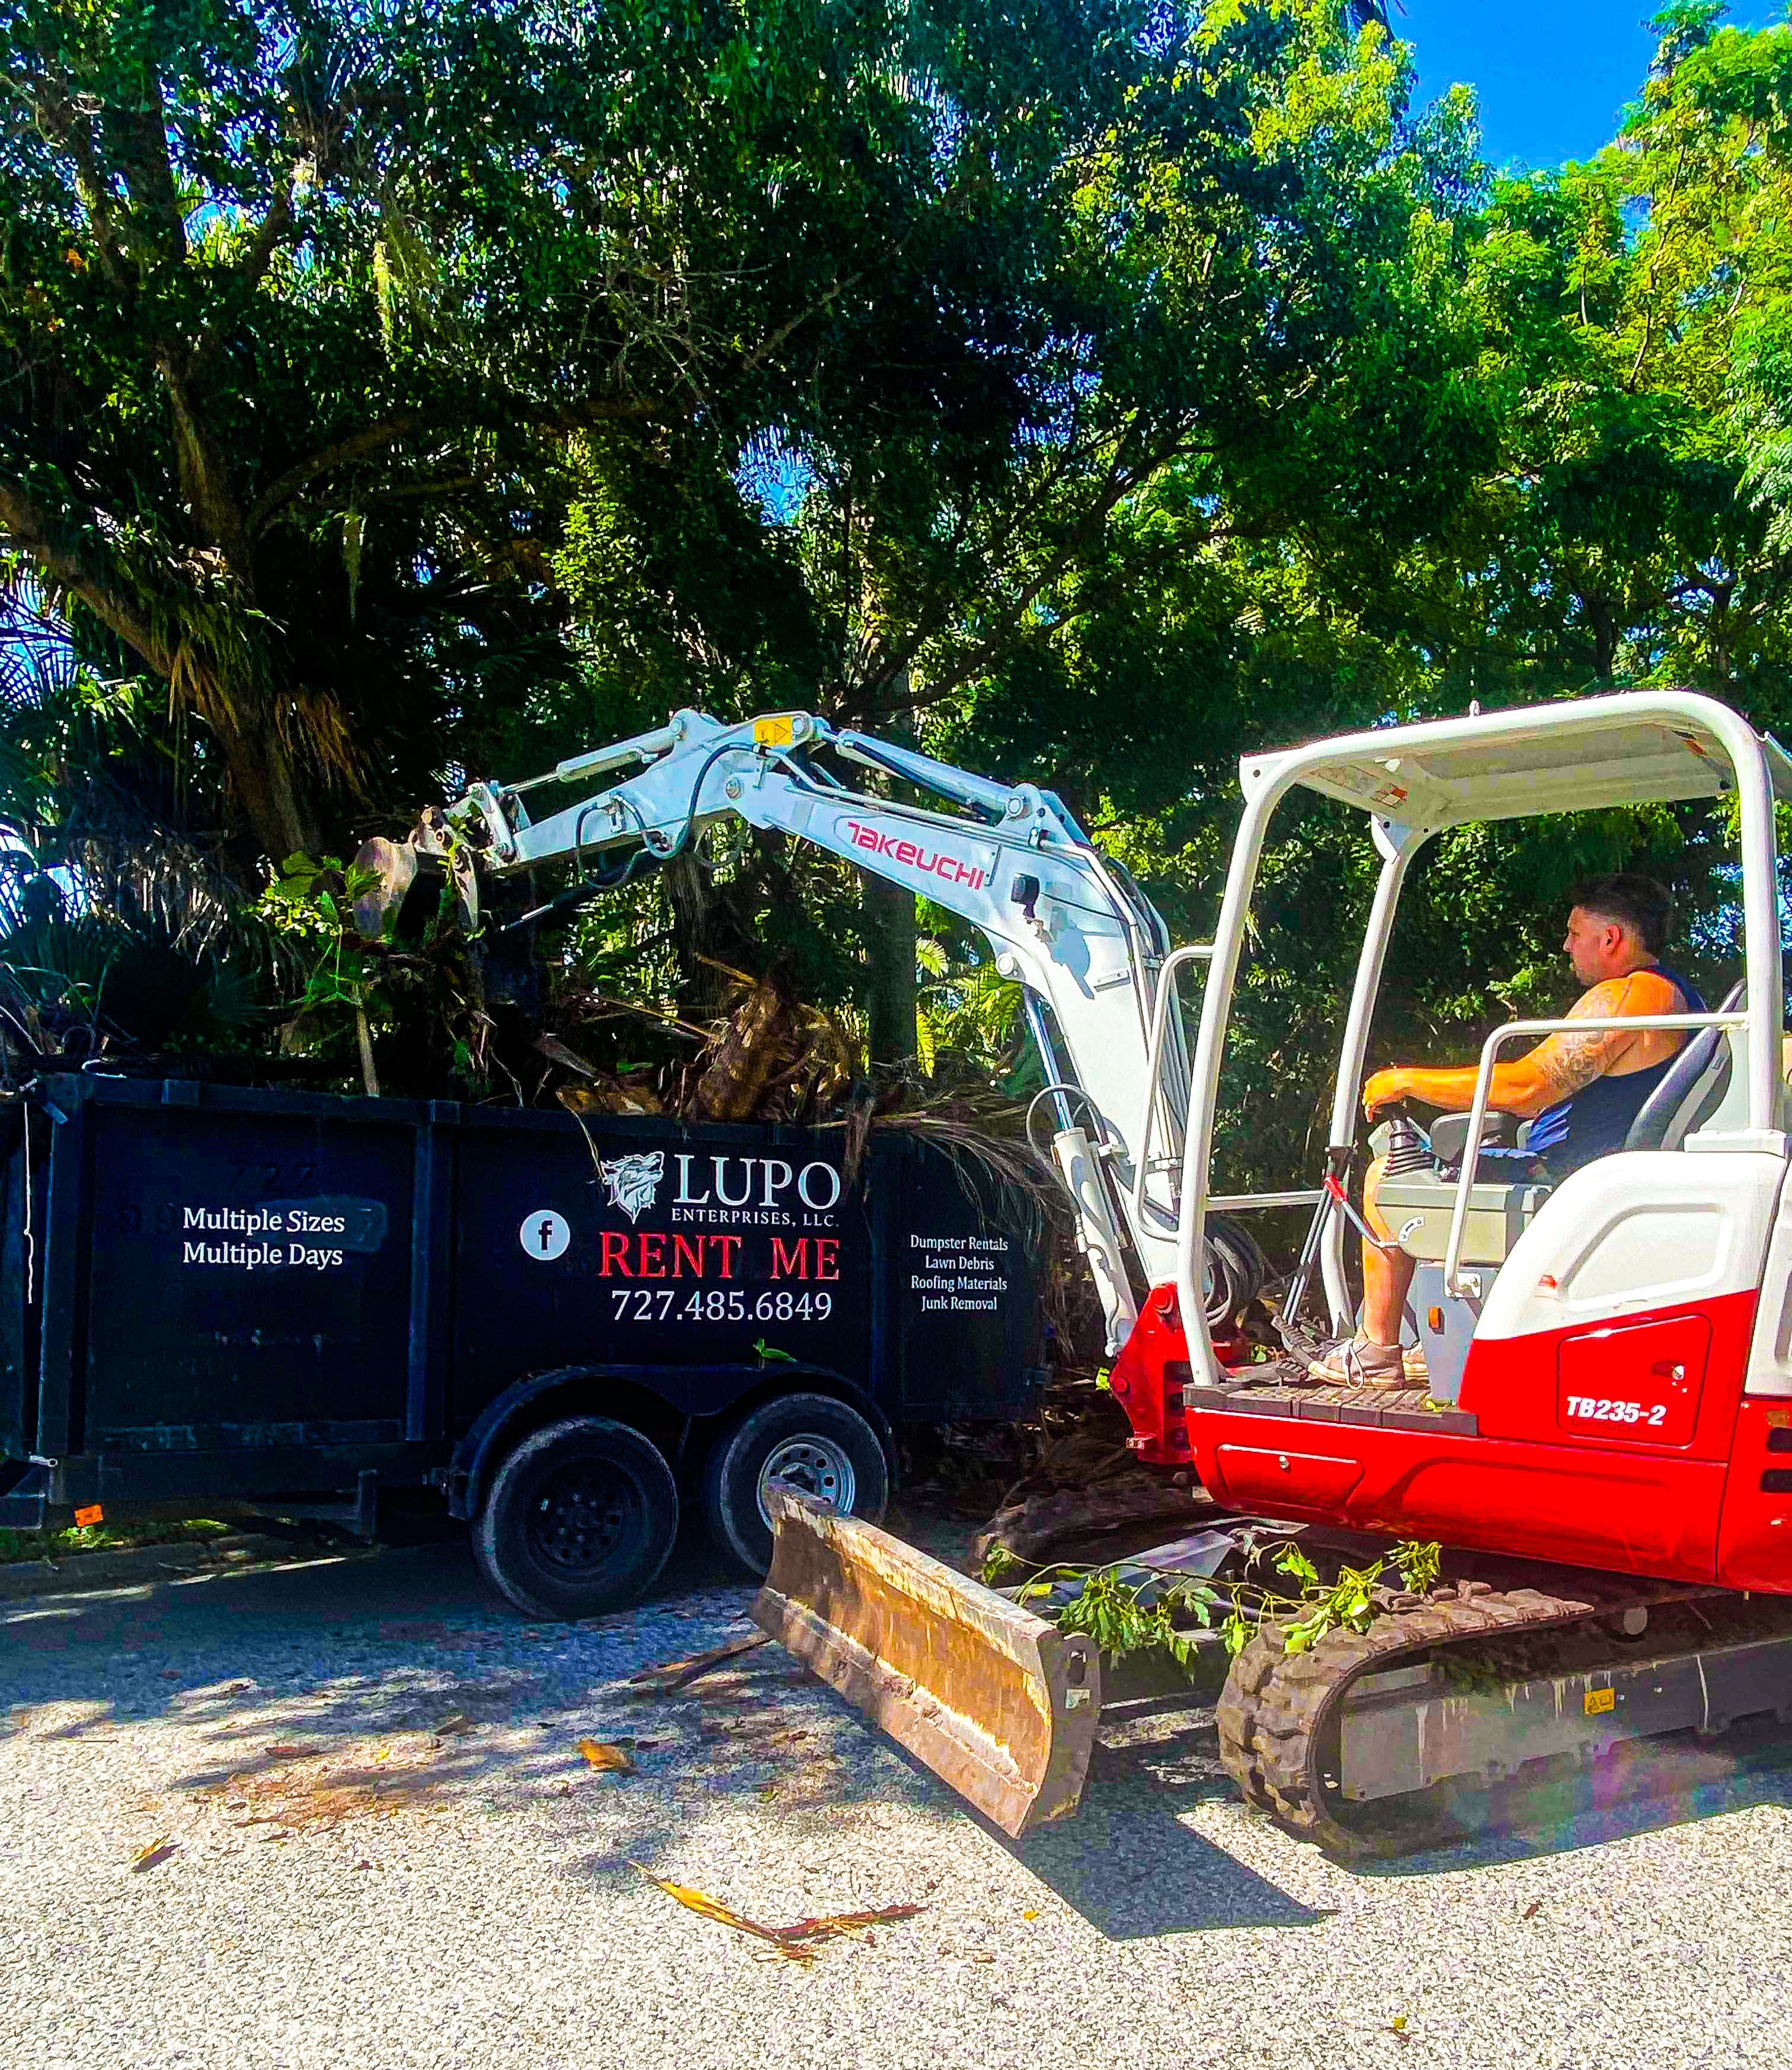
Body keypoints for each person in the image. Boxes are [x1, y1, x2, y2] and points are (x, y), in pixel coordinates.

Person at [1310, 874, 1707, 1386]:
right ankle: (1432, 1343)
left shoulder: (1632, 996)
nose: (1566, 945)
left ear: (1611, 938)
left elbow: (1529, 1087)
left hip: (1563, 1183)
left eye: (1575, 931)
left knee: (1387, 1174)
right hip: (1583, 1175)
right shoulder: (1676, 995)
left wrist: (1406, 1080)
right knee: (1443, 1156)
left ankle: (1376, 1350)